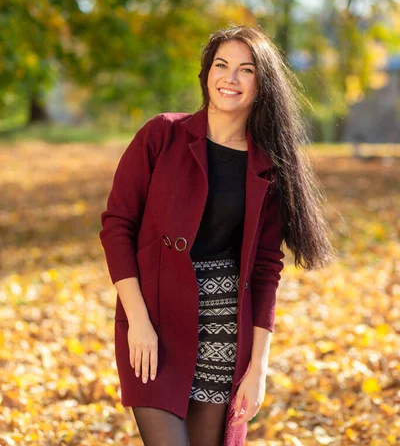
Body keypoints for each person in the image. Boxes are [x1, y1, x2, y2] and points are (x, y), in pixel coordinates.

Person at [99, 24, 337, 446]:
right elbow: (117, 226)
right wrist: (137, 320)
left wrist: (257, 368)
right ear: (206, 73)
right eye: (221, 65)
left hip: (224, 332)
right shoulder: (161, 135)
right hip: (152, 323)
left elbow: (266, 270)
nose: (230, 78)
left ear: (262, 85)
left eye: (245, 70)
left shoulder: (269, 167)